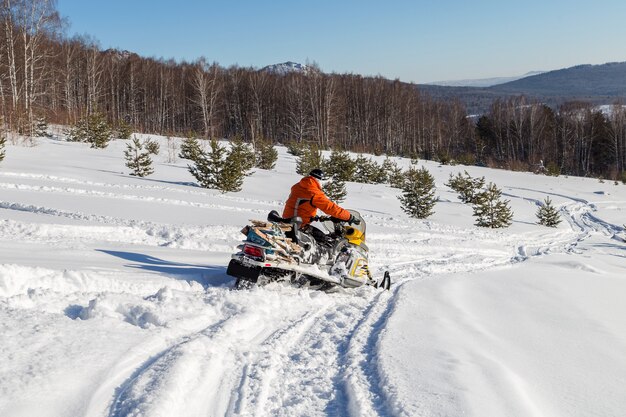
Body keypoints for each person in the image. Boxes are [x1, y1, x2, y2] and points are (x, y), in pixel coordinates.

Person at [282, 168, 359, 228]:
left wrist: (312, 217)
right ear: (319, 180)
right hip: (298, 225)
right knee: (325, 242)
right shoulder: (313, 192)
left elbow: (299, 205)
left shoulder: (298, 186)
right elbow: (331, 208)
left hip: (287, 220)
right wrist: (349, 217)